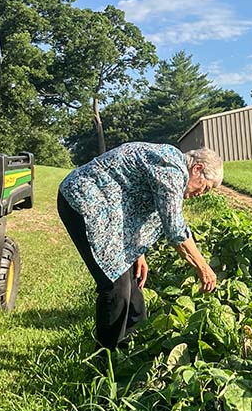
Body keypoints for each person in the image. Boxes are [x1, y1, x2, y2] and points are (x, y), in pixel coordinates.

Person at [57, 143, 222, 350]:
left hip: (108, 211)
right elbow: (175, 227)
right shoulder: (172, 168)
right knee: (115, 286)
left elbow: (135, 205)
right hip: (83, 201)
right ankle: (107, 361)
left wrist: (138, 252)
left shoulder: (170, 162)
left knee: (133, 288)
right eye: (205, 187)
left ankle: (134, 352)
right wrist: (203, 268)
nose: (201, 193)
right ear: (197, 169)